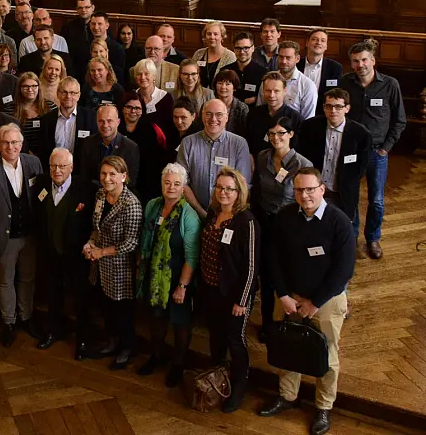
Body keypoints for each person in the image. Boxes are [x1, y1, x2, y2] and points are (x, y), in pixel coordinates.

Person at [260, 168, 356, 435]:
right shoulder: (285, 217)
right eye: (299, 190)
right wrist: (283, 294)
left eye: (310, 189)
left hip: (325, 301)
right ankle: (287, 396)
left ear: (322, 189)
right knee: (288, 348)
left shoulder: (340, 222)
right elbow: (273, 258)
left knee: (327, 354)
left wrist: (315, 302)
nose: (304, 195)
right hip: (290, 299)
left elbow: (344, 270)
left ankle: (323, 407)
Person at [0, 123, 46, 348]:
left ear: (22, 143)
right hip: (3, 239)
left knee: (28, 278)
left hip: (31, 236)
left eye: (15, 142)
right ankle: (8, 321)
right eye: (6, 142)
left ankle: (26, 317)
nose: (11, 147)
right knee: (5, 281)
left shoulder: (33, 163)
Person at [198, 167, 259, 412]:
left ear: (239, 192)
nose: (223, 192)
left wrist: (242, 301)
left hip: (236, 295)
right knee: (216, 337)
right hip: (212, 290)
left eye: (229, 189)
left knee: (235, 340)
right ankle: (218, 377)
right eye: (219, 187)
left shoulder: (247, 221)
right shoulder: (212, 214)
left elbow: (252, 265)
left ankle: (239, 384)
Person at [137, 163, 202, 386]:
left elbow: (192, 256)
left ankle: (178, 364)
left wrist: (182, 286)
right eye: (167, 182)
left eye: (176, 183)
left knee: (180, 323)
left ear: (184, 187)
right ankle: (156, 356)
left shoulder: (188, 216)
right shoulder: (152, 206)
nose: (171, 187)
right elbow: (146, 239)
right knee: (156, 319)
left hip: (177, 277)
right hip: (155, 276)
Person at [341, 41, 406, 260]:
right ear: (351, 63)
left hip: (377, 153)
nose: (360, 65)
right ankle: (352, 236)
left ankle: (372, 238)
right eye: (356, 61)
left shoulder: (390, 85)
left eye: (364, 60)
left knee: (376, 199)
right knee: (350, 196)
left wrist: (386, 149)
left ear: (373, 61)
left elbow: (399, 120)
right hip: (351, 152)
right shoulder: (345, 84)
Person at [252, 116, 312, 337]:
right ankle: (268, 323)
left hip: (289, 225)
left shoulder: (302, 165)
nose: (276, 138)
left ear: (291, 135)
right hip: (265, 221)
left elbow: (307, 201)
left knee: (288, 275)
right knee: (267, 275)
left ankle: (291, 323)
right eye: (272, 134)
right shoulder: (262, 158)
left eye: (281, 133)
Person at [84, 156, 143, 369]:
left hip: (120, 268)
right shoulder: (100, 194)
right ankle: (112, 341)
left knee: (122, 311)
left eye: (112, 174)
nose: (107, 178)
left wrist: (101, 252)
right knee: (106, 307)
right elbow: (96, 226)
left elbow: (131, 243)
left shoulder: (131, 204)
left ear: (124, 177)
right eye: (103, 173)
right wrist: (90, 243)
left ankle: (127, 347)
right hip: (99, 265)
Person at [34, 148, 95, 354]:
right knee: (53, 294)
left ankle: (84, 339)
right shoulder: (41, 185)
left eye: (62, 166)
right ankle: (53, 331)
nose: (57, 170)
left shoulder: (85, 189)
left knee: (80, 299)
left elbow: (91, 223)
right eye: (53, 166)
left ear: (71, 167)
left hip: (76, 256)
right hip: (51, 253)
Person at [298, 88, 372, 229]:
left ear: (347, 108)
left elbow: (360, 169)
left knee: (342, 229)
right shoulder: (310, 127)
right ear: (324, 108)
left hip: (343, 193)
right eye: (329, 106)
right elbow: (303, 156)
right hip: (314, 191)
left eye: (338, 106)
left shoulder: (361, 134)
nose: (333, 111)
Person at [178, 99, 252, 218]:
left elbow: (243, 184)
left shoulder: (239, 144)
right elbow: (182, 182)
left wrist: (225, 214)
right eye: (208, 114)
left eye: (219, 115)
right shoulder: (187, 143)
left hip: (229, 215)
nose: (213, 119)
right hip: (193, 214)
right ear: (202, 116)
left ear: (226, 117)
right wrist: (200, 212)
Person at [39, 77, 97, 172]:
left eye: (73, 93)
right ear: (57, 94)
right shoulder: (47, 120)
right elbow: (43, 151)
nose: (68, 96)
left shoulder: (91, 118)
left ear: (79, 96)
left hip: (81, 172)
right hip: (54, 172)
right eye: (64, 92)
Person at [79, 105, 140, 190]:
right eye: (101, 121)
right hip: (92, 194)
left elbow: (130, 182)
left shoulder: (131, 148)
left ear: (118, 122)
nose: (105, 125)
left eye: (109, 121)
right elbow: (84, 176)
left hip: (118, 197)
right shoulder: (88, 143)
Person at [246, 72, 305, 159]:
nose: (271, 95)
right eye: (268, 91)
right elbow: (247, 142)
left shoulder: (296, 118)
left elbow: (299, 151)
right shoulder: (253, 114)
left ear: (285, 91)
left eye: (276, 91)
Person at [255, 41, 317, 120]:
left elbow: (308, 120)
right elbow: (260, 109)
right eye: (281, 57)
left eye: (288, 58)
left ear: (297, 59)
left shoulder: (307, 85)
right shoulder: (268, 79)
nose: (284, 61)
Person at [297, 29, 342, 116]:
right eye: (315, 39)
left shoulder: (335, 68)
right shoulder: (296, 64)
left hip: (323, 114)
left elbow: (336, 94)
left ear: (326, 46)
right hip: (298, 113)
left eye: (323, 40)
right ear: (307, 43)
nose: (319, 43)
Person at [132, 58, 174, 139]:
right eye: (139, 74)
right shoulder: (131, 98)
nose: (143, 77)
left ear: (154, 76)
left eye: (147, 74)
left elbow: (170, 127)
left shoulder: (165, 98)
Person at [223, 31, 267, 107]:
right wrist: (245, 101)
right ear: (233, 49)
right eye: (238, 48)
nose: (242, 52)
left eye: (246, 48)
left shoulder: (263, 73)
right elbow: (221, 96)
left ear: (253, 48)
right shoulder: (225, 71)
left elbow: (263, 99)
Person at [14, 72, 52, 156]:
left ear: (39, 87)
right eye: (26, 86)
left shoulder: (50, 107)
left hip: (46, 155)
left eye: (34, 86)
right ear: (19, 88)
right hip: (20, 155)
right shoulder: (10, 110)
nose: (30, 89)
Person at [190, 21, 236, 88]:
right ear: (205, 36)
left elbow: (231, 82)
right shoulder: (198, 54)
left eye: (215, 34)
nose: (212, 37)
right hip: (198, 95)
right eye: (209, 34)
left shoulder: (230, 56)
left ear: (222, 36)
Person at [59, 0, 95, 79]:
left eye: (87, 7)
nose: (83, 10)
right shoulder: (68, 27)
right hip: (74, 69)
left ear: (93, 8)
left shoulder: (98, 27)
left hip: (94, 68)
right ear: (76, 9)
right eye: (80, 8)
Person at [89, 12, 126, 82]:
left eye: (100, 24)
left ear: (107, 26)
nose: (96, 27)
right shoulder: (86, 45)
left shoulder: (118, 48)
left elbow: (119, 76)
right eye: (93, 24)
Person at [214, 69, 248, 136]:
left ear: (234, 87)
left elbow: (245, 134)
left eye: (228, 84)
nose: (223, 87)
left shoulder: (242, 108)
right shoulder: (208, 105)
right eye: (220, 83)